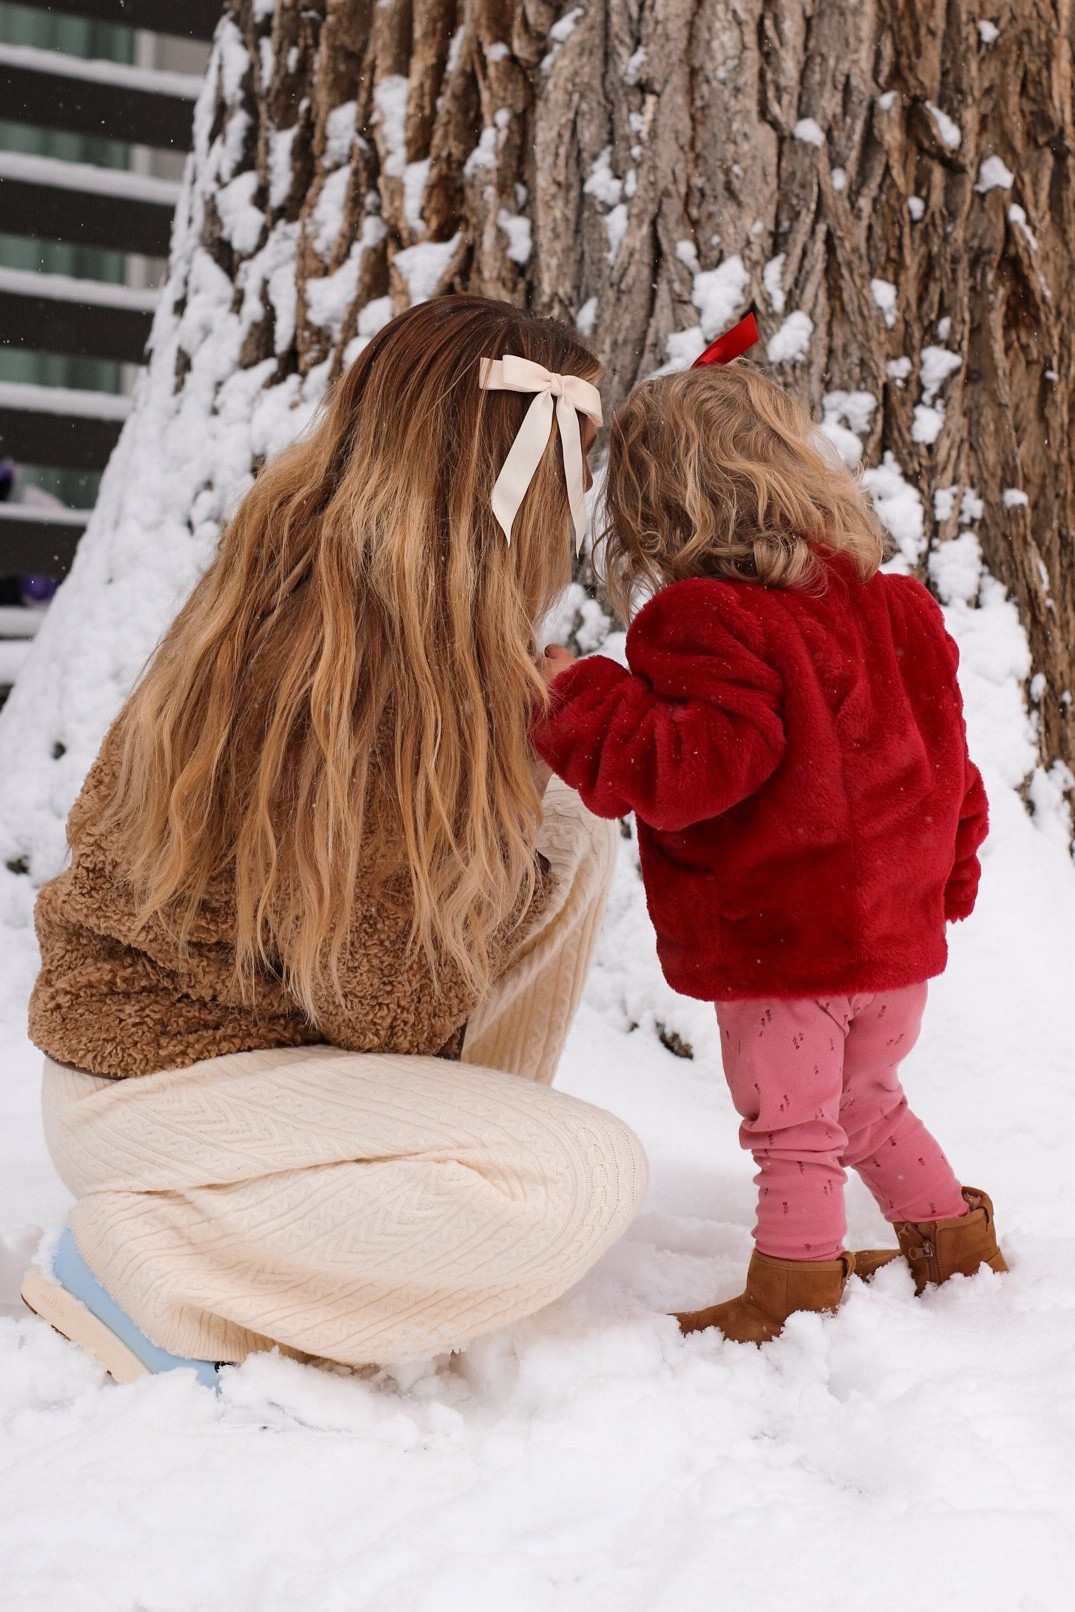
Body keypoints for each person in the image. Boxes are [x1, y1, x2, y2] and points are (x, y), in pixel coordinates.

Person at [21, 295, 647, 1387]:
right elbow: (389, 1014)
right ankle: (146, 1265)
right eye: (574, 474)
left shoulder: (318, 584)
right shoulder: (378, 679)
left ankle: (396, 1211)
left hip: (243, 1065)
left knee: (573, 821)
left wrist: (535, 784)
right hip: (161, 1089)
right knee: (578, 1176)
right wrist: (519, 780)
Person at [533, 360, 1006, 1345]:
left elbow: (687, 767)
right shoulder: (897, 609)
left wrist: (578, 695)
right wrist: (945, 879)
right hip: (893, 950)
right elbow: (949, 761)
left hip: (787, 954)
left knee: (793, 1129)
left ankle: (792, 1289)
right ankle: (955, 1250)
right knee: (867, 1102)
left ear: (654, 511)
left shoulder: (707, 619)